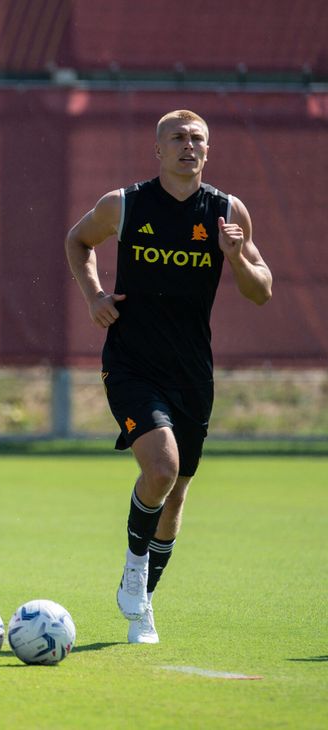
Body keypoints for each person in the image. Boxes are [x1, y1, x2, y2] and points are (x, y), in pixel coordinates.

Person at [65, 110, 272, 644]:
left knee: (176, 495)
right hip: (132, 363)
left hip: (192, 372)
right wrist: (94, 296)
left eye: (197, 138)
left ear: (208, 150)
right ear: (158, 150)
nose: (188, 145)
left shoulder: (227, 212)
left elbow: (262, 290)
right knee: (161, 468)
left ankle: (143, 605)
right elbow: (78, 240)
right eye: (177, 138)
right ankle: (134, 569)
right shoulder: (125, 204)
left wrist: (236, 258)